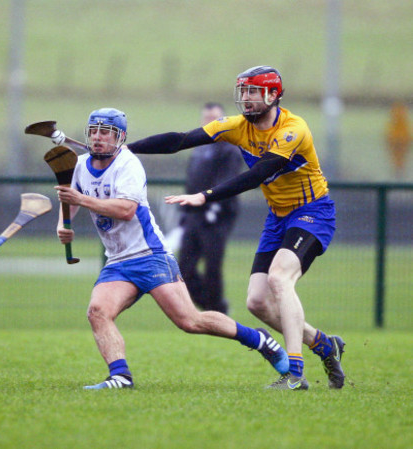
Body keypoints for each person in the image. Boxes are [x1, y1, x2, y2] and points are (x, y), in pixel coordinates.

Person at [126, 66, 346, 390]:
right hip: (278, 217)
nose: (246, 99)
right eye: (243, 92)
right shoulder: (237, 126)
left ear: (272, 95)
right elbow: (181, 140)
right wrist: (126, 149)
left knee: (279, 278)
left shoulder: (293, 129)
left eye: (253, 92)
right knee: (257, 302)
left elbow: (258, 175)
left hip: (313, 211)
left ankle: (296, 373)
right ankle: (324, 345)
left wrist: (206, 195)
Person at [53, 107, 289, 390]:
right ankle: (120, 376)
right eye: (94, 132)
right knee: (98, 312)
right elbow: (71, 198)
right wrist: (63, 223)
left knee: (190, 321)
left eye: (106, 132)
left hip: (150, 256)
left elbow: (126, 209)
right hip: (118, 260)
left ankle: (259, 340)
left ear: (121, 137)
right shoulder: (79, 165)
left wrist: (81, 199)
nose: (98, 138)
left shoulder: (128, 164)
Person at [179, 102, 243, 314]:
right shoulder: (199, 148)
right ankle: (210, 307)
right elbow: (191, 181)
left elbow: (229, 182)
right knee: (184, 267)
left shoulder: (229, 149)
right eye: (206, 118)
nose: (210, 122)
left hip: (217, 216)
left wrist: (213, 208)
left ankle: (217, 310)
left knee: (212, 266)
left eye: (214, 118)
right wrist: (185, 211)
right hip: (193, 214)